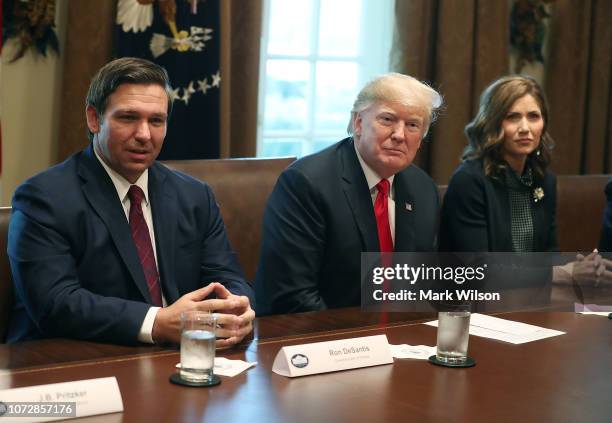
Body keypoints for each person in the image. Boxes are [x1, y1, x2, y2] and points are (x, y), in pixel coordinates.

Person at [7, 57, 255, 346]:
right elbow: (56, 304)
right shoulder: (44, 198)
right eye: (128, 118)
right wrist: (157, 323)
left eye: (156, 121)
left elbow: (227, 276)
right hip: (69, 362)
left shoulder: (195, 195)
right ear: (94, 118)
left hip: (176, 357)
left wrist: (236, 307)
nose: (144, 135)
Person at [254, 73, 443, 315]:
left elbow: (420, 287)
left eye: (413, 125)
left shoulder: (423, 188)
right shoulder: (306, 184)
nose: (399, 135)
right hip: (321, 340)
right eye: (387, 119)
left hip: (398, 339)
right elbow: (292, 297)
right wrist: (361, 345)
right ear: (358, 123)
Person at [440, 75, 611, 286]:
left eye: (533, 116)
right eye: (512, 117)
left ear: (543, 123)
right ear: (492, 122)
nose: (525, 128)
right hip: (476, 305)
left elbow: (549, 255)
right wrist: (563, 273)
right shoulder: (469, 181)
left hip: (531, 299)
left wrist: (587, 267)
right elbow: (478, 271)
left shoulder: (543, 180)